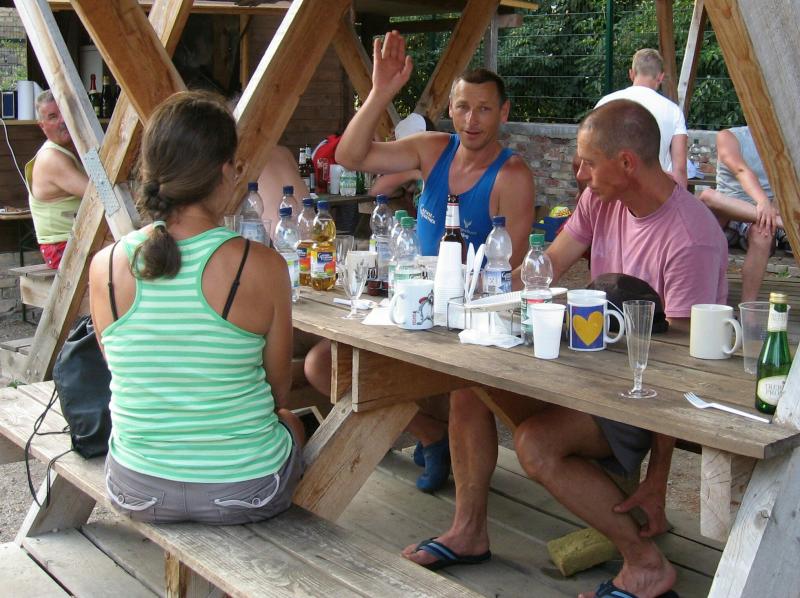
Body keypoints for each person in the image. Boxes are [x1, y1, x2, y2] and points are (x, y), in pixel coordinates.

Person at [403, 100, 727, 598]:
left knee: (535, 444)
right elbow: (547, 266)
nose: (579, 174)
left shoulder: (690, 238)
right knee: (471, 382)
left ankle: (645, 565)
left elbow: (682, 371)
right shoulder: (602, 198)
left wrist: (658, 480)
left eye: (588, 163)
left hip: (643, 399)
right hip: (585, 373)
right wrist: (476, 297)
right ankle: (468, 532)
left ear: (626, 163)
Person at [306, 30, 535, 493]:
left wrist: (462, 301)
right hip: (413, 303)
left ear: (504, 113)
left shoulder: (511, 175)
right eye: (463, 107)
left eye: (484, 109)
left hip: (468, 319)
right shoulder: (434, 149)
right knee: (320, 364)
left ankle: (467, 507)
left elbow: (511, 273)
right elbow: (350, 155)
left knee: (466, 392)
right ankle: (432, 437)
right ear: (451, 108)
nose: (472, 120)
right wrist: (380, 93)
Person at [89, 91, 305, 525]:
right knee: (293, 423)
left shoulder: (106, 265)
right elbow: (278, 392)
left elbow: (124, 369)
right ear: (226, 171)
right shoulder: (260, 265)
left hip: (135, 489)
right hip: (244, 491)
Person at [698, 126, 784, 302]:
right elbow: (740, 170)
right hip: (727, 208)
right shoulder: (729, 136)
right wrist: (763, 202)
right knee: (708, 196)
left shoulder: (785, 140)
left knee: (763, 234)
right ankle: (779, 222)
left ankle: (748, 308)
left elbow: (787, 181)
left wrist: (773, 204)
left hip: (762, 215)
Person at [595, 48, 688, 188]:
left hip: (611, 188)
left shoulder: (605, 103)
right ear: (660, 77)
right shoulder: (674, 111)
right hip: (653, 191)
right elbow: (680, 169)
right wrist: (681, 199)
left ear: (631, 74)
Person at [25, 90, 89, 269]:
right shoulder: (51, 158)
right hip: (63, 247)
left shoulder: (70, 150)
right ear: (42, 126)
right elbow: (101, 195)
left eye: (64, 112)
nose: (62, 120)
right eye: (53, 117)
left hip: (79, 240)